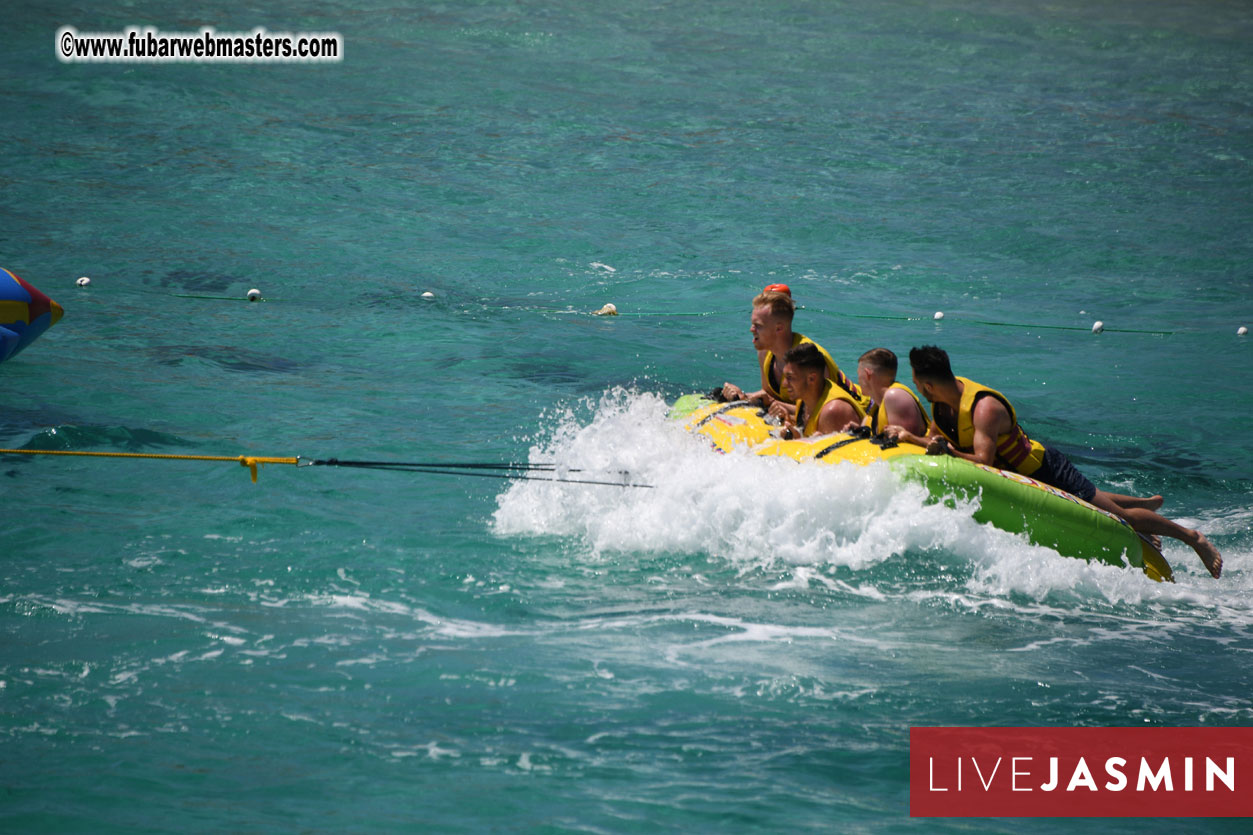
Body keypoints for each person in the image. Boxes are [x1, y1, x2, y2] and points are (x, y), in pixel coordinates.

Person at [885, 345, 1222, 578]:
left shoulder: (984, 408)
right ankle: (1145, 503)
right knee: (1089, 496)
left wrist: (947, 452)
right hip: (1015, 472)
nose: (915, 388)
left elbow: (983, 461)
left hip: (1044, 468)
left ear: (927, 384)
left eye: (916, 383)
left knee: (1115, 516)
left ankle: (1192, 538)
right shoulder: (941, 405)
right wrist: (910, 438)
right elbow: (937, 438)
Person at [720, 286, 869, 421]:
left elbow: (816, 412)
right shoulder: (765, 352)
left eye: (758, 326)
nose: (751, 329)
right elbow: (768, 394)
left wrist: (771, 403)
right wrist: (742, 397)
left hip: (861, 413)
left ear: (779, 328)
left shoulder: (808, 359)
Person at [778, 343, 865, 439]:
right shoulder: (804, 399)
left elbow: (840, 453)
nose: (784, 384)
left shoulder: (832, 412)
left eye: (790, 377)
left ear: (811, 379)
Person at [843, 347, 929, 437]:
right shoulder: (876, 406)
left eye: (858, 374)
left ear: (867, 374)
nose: (858, 380)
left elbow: (906, 444)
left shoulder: (895, 396)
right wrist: (861, 431)